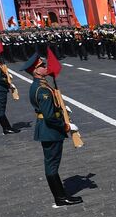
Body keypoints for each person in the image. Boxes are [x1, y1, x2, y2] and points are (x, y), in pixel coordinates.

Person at [25, 52, 82, 208]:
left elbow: (49, 108)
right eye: (42, 65)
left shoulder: (41, 85)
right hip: (50, 130)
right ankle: (60, 198)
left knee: (52, 164)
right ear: (36, 71)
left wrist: (61, 108)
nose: (45, 67)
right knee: (52, 166)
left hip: (47, 129)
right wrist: (66, 126)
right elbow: (49, 116)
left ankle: (61, 195)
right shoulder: (42, 89)